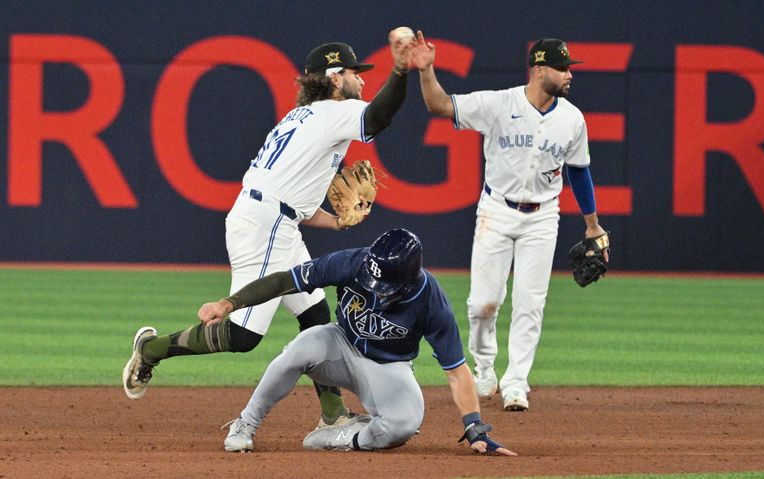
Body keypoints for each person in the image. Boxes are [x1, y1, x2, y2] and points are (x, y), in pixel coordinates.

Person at [123, 31, 415, 428]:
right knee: (243, 337)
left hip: (275, 220)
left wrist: (336, 221)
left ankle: (332, 415)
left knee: (315, 312)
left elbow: (297, 204)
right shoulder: (333, 113)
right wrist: (400, 69)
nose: (361, 80)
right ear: (333, 78)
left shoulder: (301, 118)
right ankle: (152, 348)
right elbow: (380, 115)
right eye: (353, 72)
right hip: (266, 226)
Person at [409, 34, 608, 411]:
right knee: (483, 303)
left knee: (531, 303)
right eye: (562, 67)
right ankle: (484, 368)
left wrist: (592, 224)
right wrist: (427, 69)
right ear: (538, 69)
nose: (569, 75)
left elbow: (579, 173)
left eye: (569, 68)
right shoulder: (499, 104)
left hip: (543, 215)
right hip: (496, 210)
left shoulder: (572, 118)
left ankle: (517, 382)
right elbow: (438, 104)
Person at [198, 228, 516, 455]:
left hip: (389, 367)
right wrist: (229, 303)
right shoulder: (353, 262)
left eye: (384, 285)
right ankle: (245, 425)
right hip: (340, 346)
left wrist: (474, 427)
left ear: (409, 278)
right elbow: (286, 280)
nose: (376, 289)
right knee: (301, 347)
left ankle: (342, 437)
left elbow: (457, 371)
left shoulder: (431, 301)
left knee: (404, 424)